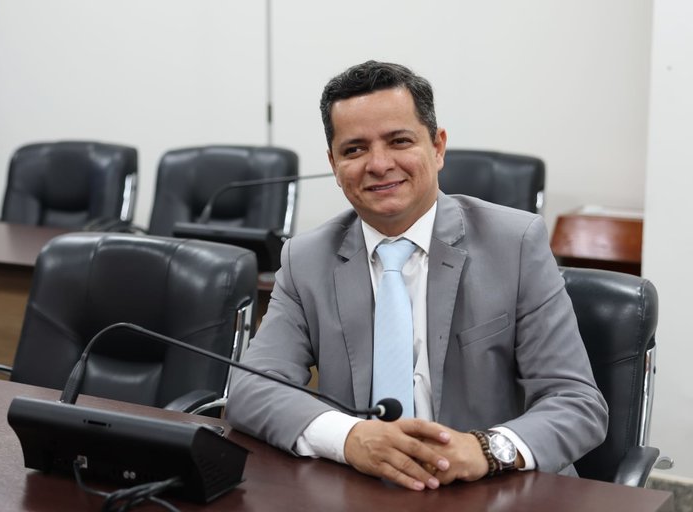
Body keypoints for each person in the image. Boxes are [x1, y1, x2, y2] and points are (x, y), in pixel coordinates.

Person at [225, 60, 608, 491]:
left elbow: (576, 403)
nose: (378, 164)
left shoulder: (515, 244)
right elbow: (250, 391)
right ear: (333, 164)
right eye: (354, 150)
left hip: (492, 491)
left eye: (399, 141)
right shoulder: (306, 258)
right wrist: (349, 438)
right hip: (361, 490)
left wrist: (485, 449)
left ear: (438, 147)